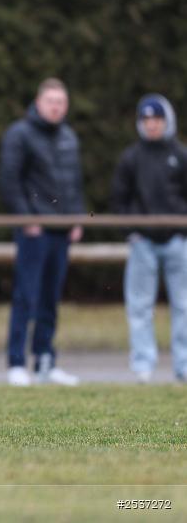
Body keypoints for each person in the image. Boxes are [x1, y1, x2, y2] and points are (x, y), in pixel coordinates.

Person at [0, 78, 84, 386]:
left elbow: (74, 183)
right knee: (26, 295)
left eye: (61, 102)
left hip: (61, 231)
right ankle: (17, 363)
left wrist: (77, 219)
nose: (56, 107)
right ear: (38, 102)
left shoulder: (69, 137)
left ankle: (46, 360)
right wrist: (25, 218)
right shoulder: (19, 134)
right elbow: (9, 180)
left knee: (50, 298)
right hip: (34, 231)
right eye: (51, 101)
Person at [110, 94, 187, 383]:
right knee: (140, 306)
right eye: (147, 120)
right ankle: (143, 365)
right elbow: (119, 199)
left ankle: (184, 366)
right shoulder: (131, 157)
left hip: (177, 242)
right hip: (143, 244)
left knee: (183, 305)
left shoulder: (180, 155)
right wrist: (133, 232)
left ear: (168, 121)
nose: (152, 125)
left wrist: (181, 229)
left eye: (157, 119)